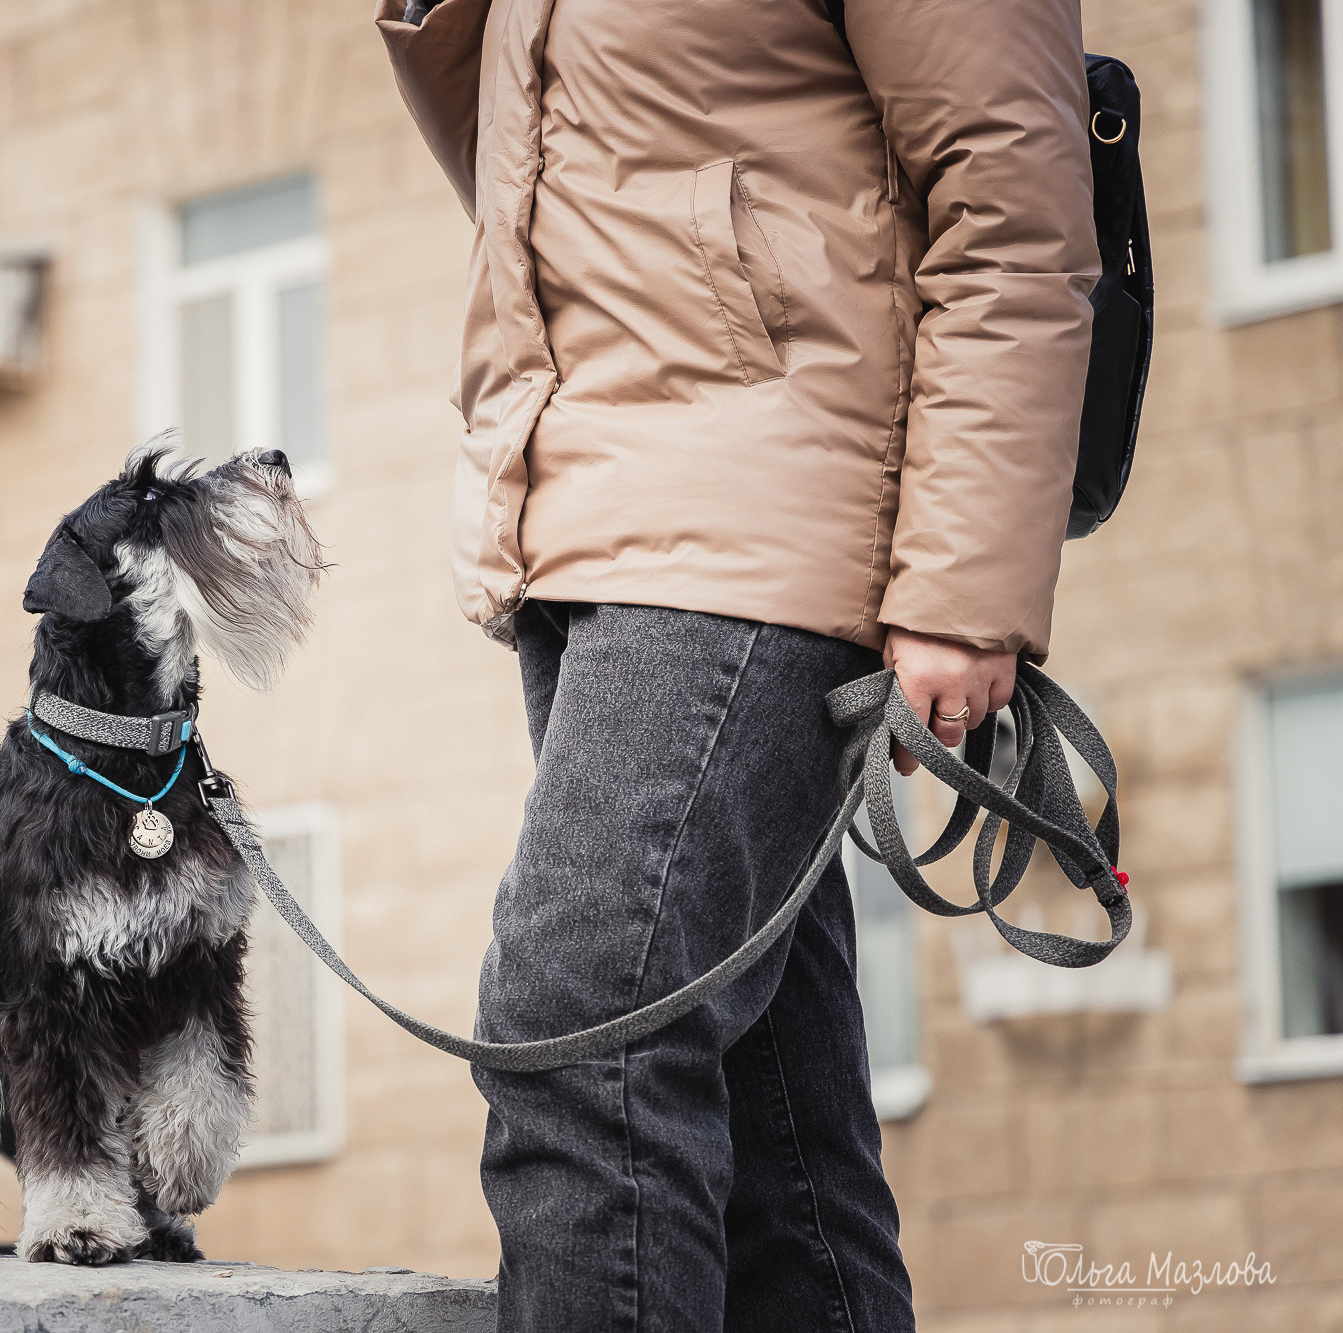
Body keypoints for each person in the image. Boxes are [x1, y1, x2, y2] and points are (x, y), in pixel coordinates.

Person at [375, 1, 1099, 1329]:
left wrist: (961, 585)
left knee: (579, 1036)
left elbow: (1013, 200)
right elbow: (546, 176)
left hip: (762, 502)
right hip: (585, 519)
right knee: (782, 1160)